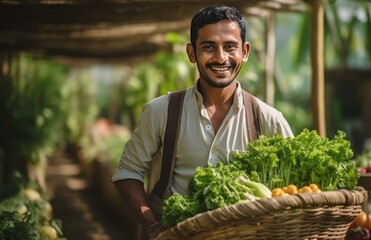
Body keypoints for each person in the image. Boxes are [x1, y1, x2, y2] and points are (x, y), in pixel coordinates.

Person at [112, 5, 294, 240]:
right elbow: (127, 172)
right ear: (191, 53)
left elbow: (297, 188)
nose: (220, 58)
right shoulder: (162, 111)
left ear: (245, 52)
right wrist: (153, 228)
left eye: (230, 47)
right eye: (209, 47)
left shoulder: (268, 119)